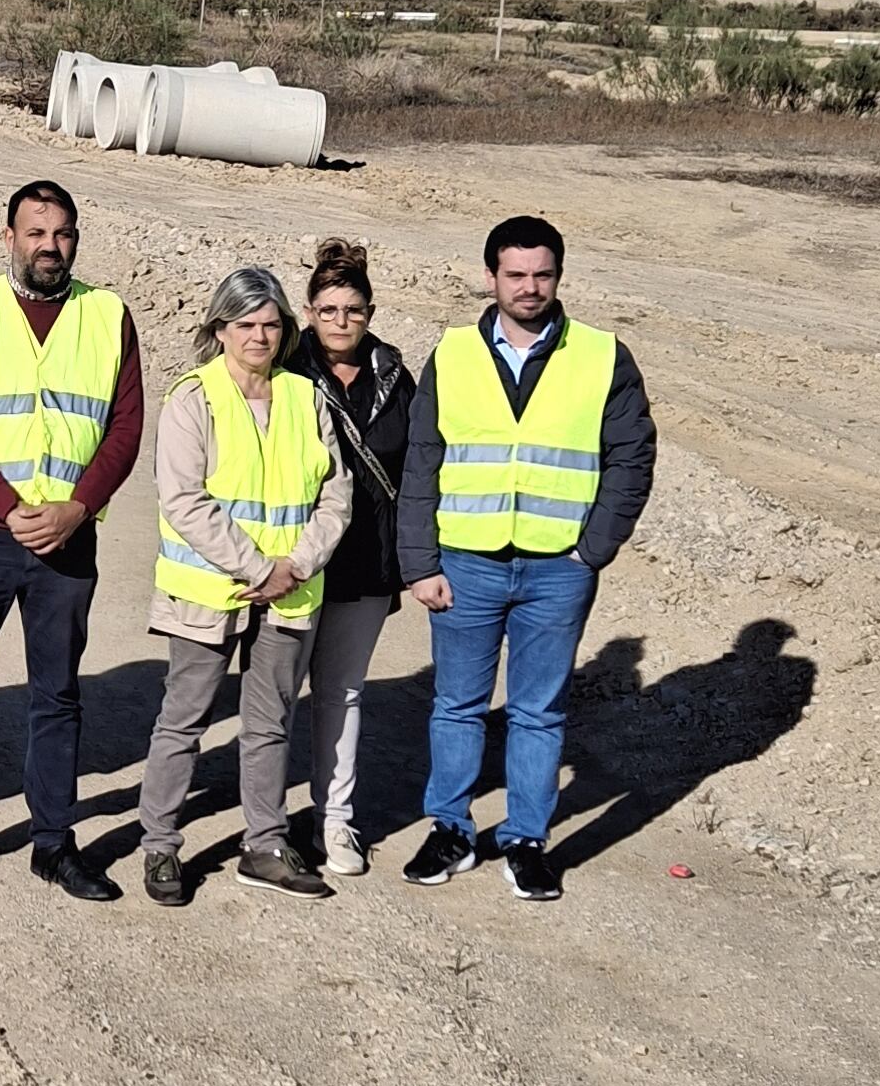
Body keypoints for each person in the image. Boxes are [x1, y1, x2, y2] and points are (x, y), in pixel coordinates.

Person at [397, 212, 658, 903]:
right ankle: (450, 829)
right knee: (458, 705)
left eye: (543, 274)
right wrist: (419, 562)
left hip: (557, 570)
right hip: (467, 563)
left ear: (559, 277)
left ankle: (524, 841)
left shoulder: (603, 355)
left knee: (539, 713)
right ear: (491, 277)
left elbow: (632, 456)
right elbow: (422, 459)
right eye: (516, 274)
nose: (530, 287)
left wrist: (592, 549)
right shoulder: (452, 353)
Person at [0, 180, 145, 902]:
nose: (50, 246)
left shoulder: (107, 315)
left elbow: (125, 429)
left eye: (63, 233)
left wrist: (78, 507)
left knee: (58, 695)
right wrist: (11, 508)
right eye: (36, 232)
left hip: (67, 544)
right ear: (8, 236)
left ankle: (53, 843)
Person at [139, 268, 355, 904]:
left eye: (271, 324)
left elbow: (334, 492)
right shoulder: (193, 398)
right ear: (219, 329)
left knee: (271, 723)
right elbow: (183, 498)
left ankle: (264, 844)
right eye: (246, 324)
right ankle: (159, 845)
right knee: (184, 720)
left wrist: (298, 564)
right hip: (212, 591)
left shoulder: (304, 396)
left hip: (290, 592)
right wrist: (261, 568)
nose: (259, 335)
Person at [281, 236, 414, 876]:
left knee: (342, 692)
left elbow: (417, 468)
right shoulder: (283, 367)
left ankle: (334, 821)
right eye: (328, 310)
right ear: (308, 311)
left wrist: (417, 559)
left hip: (363, 560)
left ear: (369, 311)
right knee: (274, 693)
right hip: (292, 556)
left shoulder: (393, 375)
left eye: (352, 311)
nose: (340, 323)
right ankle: (265, 822)